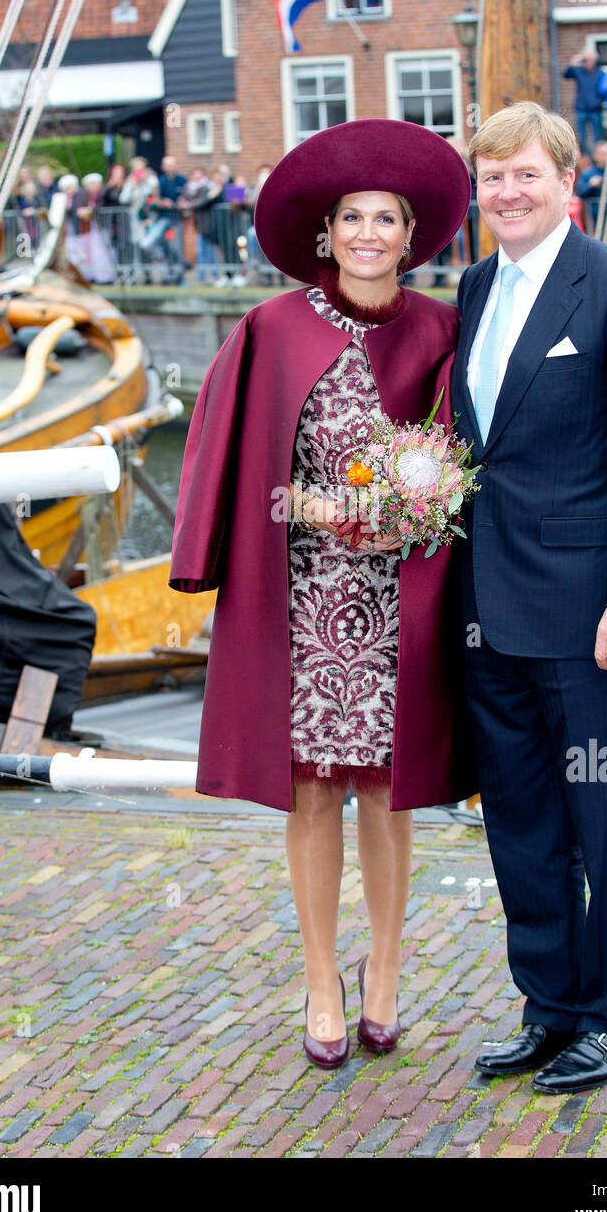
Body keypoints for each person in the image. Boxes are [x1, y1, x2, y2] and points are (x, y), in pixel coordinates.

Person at [169, 119, 474, 1068]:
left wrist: (396, 505)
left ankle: (383, 973)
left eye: (387, 219)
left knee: (389, 795)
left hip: (399, 600)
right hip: (298, 599)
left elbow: (457, 462)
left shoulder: (440, 328)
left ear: (410, 234)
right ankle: (318, 978)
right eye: (354, 218)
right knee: (310, 795)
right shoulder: (272, 328)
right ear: (326, 232)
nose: (370, 233)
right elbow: (230, 453)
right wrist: (288, 510)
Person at [451, 101, 607, 1094]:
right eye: (492, 178)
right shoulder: (474, 286)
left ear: (568, 184)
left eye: (525, 175)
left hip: (595, 620)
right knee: (519, 821)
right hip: (488, 611)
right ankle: (550, 1006)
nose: (507, 192)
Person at [562, 49, 606, 153]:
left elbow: (605, 88)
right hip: (581, 107)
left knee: (597, 136)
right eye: (585, 60)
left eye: (588, 60)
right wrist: (573, 62)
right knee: (582, 136)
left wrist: (599, 101)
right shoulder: (580, 71)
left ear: (594, 61)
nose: (586, 63)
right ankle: (585, 155)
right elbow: (566, 74)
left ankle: (597, 155)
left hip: (595, 109)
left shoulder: (600, 72)